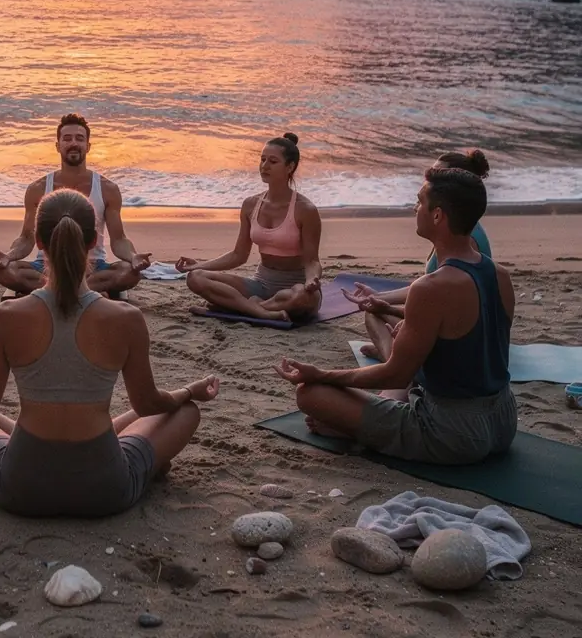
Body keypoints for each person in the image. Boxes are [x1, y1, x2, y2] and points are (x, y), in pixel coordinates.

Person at [0, 187, 219, 516]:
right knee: (185, 411)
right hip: (106, 489)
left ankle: (16, 435)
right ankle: (134, 458)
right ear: (91, 243)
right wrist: (188, 391)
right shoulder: (126, 317)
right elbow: (148, 404)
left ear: (40, 244)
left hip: (22, 487)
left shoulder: (5, 315)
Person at [274, 167, 516, 465]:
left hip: (454, 434)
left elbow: (396, 374)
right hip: (504, 421)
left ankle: (357, 433)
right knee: (400, 373)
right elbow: (478, 352)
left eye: (419, 201)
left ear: (438, 215)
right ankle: (370, 423)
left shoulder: (430, 287)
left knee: (310, 394)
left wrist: (321, 375)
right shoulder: (500, 275)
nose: (414, 208)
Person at [345, 149, 493, 357]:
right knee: (377, 311)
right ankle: (392, 355)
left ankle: (392, 362)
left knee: (375, 315)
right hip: (448, 324)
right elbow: (429, 287)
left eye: (438, 175)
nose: (430, 181)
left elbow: (451, 309)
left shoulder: (466, 240)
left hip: (458, 336)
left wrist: (387, 307)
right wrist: (379, 296)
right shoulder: (455, 232)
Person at [0, 113, 151, 300]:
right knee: (6, 272)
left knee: (129, 273)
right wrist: (8, 257)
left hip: (92, 267)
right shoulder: (38, 188)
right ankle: (86, 292)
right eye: (67, 138)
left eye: (79, 139)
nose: (73, 143)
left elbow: (119, 239)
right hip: (47, 266)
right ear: (58, 146)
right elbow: (26, 238)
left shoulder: (108, 189)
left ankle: (54, 290)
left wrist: (133, 258)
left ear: (88, 146)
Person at [174, 133, 322, 321]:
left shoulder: (305, 209)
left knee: (302, 298)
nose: (264, 166)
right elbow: (238, 255)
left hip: (295, 286)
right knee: (196, 277)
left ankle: (242, 307)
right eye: (262, 159)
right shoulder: (250, 205)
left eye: (273, 161)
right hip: (261, 284)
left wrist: (312, 280)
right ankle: (260, 311)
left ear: (290, 167)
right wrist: (198, 265)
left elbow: (312, 261)